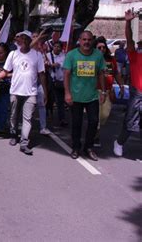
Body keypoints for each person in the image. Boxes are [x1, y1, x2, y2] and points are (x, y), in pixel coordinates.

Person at [0, 30, 47, 155]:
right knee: (13, 116)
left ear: (30, 40)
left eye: (26, 39)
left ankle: (24, 143)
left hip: (31, 92)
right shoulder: (13, 54)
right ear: (19, 41)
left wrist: (45, 92)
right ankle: (14, 134)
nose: (23, 41)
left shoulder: (37, 55)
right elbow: (5, 71)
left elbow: (41, 74)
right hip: (15, 91)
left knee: (27, 118)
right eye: (21, 39)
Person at [63, 30, 106, 161]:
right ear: (80, 41)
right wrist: (67, 93)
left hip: (92, 96)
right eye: (84, 40)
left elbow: (101, 74)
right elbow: (66, 75)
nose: (86, 42)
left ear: (92, 40)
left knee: (93, 122)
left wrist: (103, 91)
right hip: (75, 97)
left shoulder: (98, 55)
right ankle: (76, 147)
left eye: (89, 40)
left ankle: (89, 147)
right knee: (77, 123)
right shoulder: (71, 55)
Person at [114, 10, 141, 157]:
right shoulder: (135, 56)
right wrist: (128, 22)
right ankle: (119, 142)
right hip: (137, 94)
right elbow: (129, 40)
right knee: (130, 123)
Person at [94, 38, 124, 147]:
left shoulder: (111, 60)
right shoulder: (91, 59)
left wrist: (121, 86)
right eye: (99, 47)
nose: (102, 49)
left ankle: (95, 131)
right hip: (94, 91)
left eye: (103, 47)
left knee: (104, 115)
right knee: (95, 116)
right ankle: (95, 136)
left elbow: (116, 74)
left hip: (107, 91)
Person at [46, 41, 67, 127]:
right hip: (50, 81)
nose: (57, 48)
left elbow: (66, 65)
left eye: (59, 46)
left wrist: (58, 64)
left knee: (60, 101)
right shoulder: (48, 55)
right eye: (55, 46)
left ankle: (62, 118)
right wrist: (48, 65)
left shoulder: (64, 55)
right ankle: (48, 113)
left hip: (60, 81)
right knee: (50, 99)